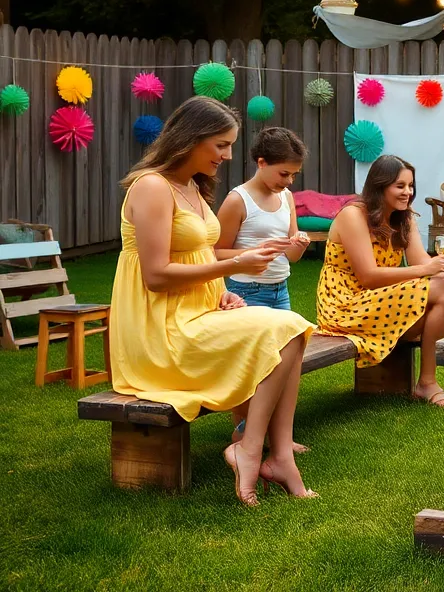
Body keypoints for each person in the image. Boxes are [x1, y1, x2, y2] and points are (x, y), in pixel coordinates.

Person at [110, 96, 317, 506]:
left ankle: (273, 453)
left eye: (230, 145)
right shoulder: (152, 186)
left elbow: (197, 255)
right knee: (286, 327)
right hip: (159, 332)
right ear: (190, 138)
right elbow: (155, 276)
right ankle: (252, 450)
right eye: (220, 145)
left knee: (292, 328)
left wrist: (222, 292)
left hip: (195, 314)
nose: (227, 155)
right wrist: (235, 264)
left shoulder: (190, 187)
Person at [317, 154, 444, 408]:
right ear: (380, 186)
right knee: (441, 286)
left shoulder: (404, 217)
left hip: (380, 298)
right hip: (346, 305)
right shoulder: (353, 216)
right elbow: (368, 277)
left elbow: (419, 259)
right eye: (399, 186)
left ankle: (434, 379)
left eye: (410, 186)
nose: (408, 193)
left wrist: (440, 268)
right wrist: (428, 270)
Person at [215, 127, 313, 453]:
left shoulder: (286, 198)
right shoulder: (237, 200)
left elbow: (292, 256)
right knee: (253, 369)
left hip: (278, 291)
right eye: (284, 173)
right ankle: (243, 432)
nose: (289, 181)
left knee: (283, 367)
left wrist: (298, 243)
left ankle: (278, 437)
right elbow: (213, 253)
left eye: (294, 175)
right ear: (261, 162)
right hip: (247, 293)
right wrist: (249, 256)